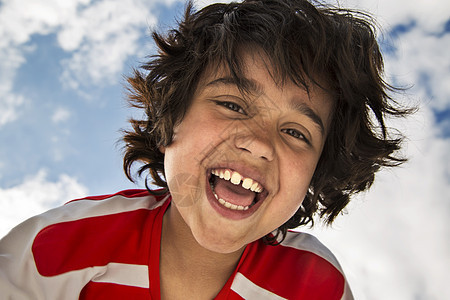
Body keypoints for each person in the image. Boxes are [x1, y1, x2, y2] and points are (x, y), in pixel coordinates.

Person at [0, 0, 412, 299]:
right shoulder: (56, 246)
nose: (258, 142)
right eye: (232, 105)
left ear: (316, 173)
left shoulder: (317, 286)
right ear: (169, 123)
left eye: (296, 132)